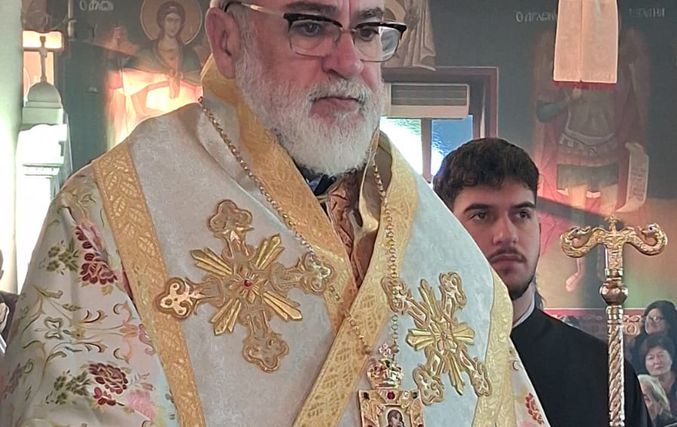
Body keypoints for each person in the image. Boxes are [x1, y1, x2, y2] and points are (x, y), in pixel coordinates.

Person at [0, 1, 548, 425]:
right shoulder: (111, 212)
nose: (349, 61)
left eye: (367, 30)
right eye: (311, 26)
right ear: (227, 39)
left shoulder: (432, 231)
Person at [433, 137, 650, 426]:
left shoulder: (604, 373)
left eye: (521, 214)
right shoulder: (418, 366)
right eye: (482, 215)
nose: (507, 235)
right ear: (445, 230)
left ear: (538, 227)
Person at [631, 300, 677, 373]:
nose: (650, 322)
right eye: (648, 318)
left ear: (669, 323)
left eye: (657, 319)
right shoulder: (637, 342)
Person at [642, 334, 677, 414]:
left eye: (661, 356)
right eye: (651, 358)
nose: (657, 361)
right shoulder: (643, 386)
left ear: (671, 358)